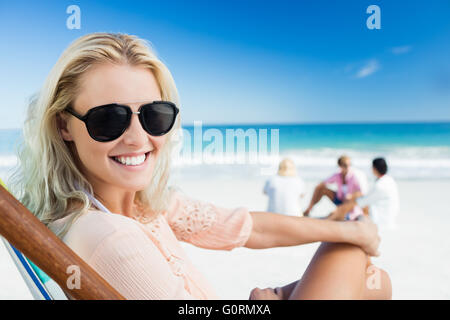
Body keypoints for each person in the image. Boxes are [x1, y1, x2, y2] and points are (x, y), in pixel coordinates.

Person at [9, 33, 391, 300]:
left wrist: (350, 230)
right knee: (354, 261)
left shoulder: (141, 205)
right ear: (63, 126)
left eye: (155, 116)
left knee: (371, 276)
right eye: (109, 119)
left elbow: (246, 226)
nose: (138, 138)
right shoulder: (109, 234)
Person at [328, 158, 399, 230]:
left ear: (374, 169)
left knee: (354, 209)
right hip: (390, 218)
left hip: (380, 222)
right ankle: (336, 216)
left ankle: (333, 218)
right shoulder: (390, 180)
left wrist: (348, 202)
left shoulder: (380, 185)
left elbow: (362, 202)